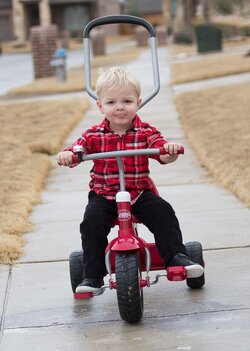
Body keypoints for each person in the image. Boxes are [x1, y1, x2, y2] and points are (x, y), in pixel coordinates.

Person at [57, 67, 204, 293]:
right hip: (104, 195)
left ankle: (176, 256)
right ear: (100, 106)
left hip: (138, 194)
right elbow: (77, 150)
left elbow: (161, 150)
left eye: (127, 101)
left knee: (163, 211)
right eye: (111, 102)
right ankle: (93, 276)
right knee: (91, 222)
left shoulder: (145, 132)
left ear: (138, 102)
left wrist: (169, 151)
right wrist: (68, 156)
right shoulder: (93, 134)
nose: (119, 107)